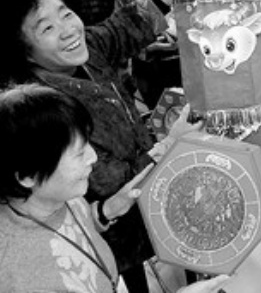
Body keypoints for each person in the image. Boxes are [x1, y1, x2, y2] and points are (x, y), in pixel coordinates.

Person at [0, 0, 197, 293]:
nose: (68, 30)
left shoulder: (85, 48)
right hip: (113, 224)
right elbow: (108, 180)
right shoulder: (42, 113)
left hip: (128, 195)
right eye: (47, 28)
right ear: (24, 52)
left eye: (65, 13)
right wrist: (172, 144)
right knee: (125, 273)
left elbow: (119, 28)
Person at [0, 83, 229, 293]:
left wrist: (106, 210)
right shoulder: (22, 277)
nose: (92, 158)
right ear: (27, 176)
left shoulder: (57, 196)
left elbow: (74, 226)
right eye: (79, 153)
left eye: (88, 144)